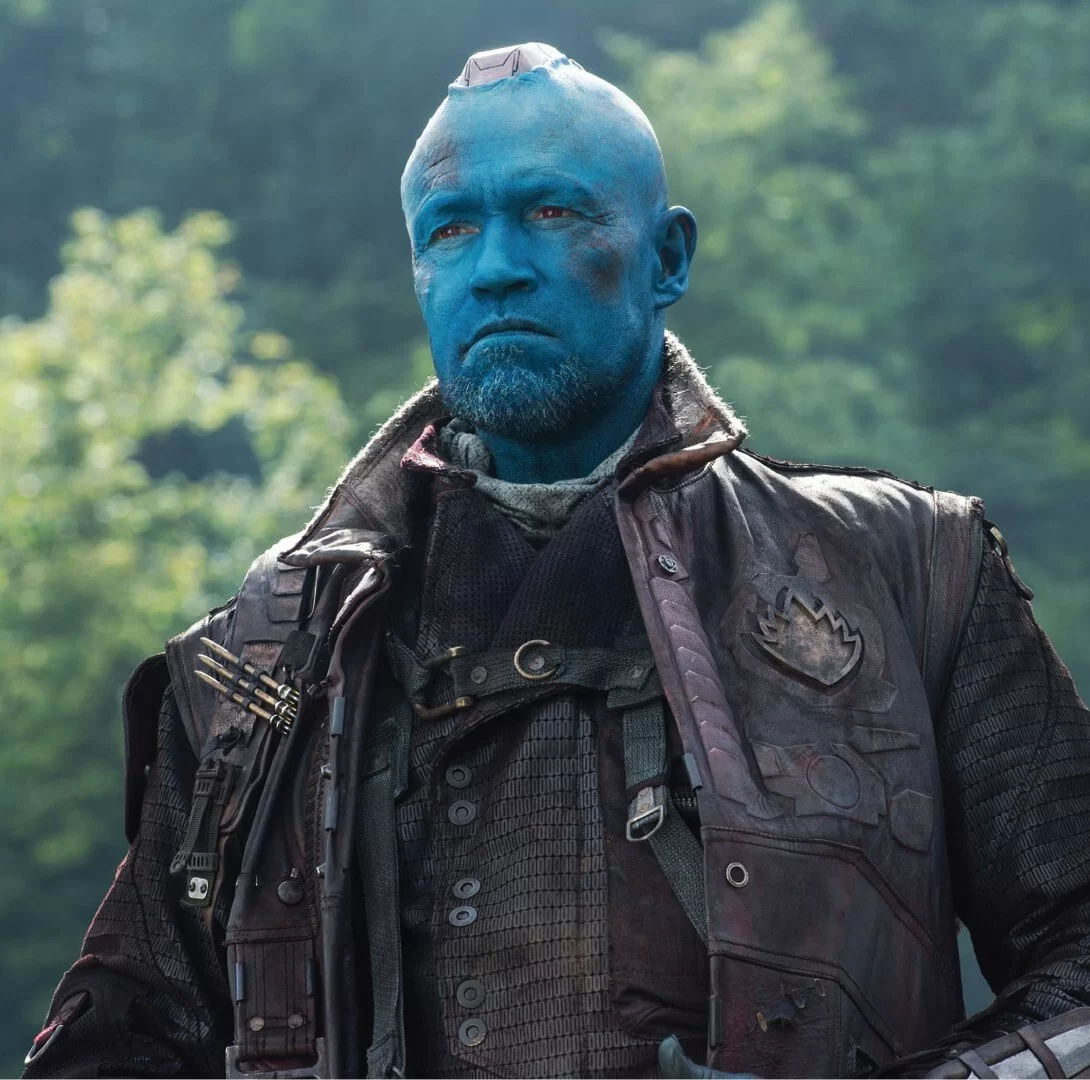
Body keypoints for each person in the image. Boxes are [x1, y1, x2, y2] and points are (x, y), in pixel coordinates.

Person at [23, 42, 1090, 1080]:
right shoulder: (262, 665)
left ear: (666, 258)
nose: (495, 268)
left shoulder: (910, 572)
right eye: (450, 229)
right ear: (418, 273)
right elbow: (115, 1048)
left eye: (552, 212)